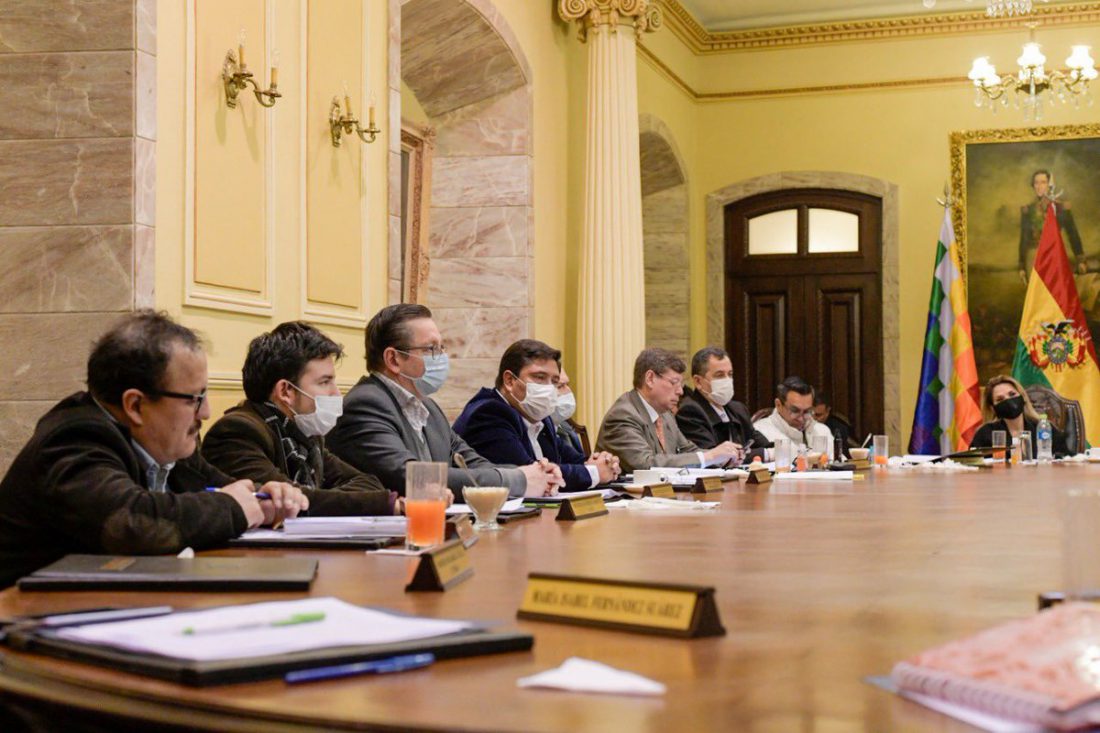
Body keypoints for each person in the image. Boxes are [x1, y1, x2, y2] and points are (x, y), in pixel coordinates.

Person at [0, 311, 308, 588]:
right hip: (22, 618)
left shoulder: (168, 444)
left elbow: (226, 490)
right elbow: (132, 523)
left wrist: (265, 498)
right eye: (194, 398)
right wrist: (235, 508)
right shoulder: (74, 439)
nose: (205, 413)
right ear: (135, 405)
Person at [327, 304, 560, 500]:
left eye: (441, 348)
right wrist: (518, 480)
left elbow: (470, 462)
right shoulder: (365, 405)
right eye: (431, 349)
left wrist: (535, 474)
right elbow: (411, 477)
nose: (441, 357)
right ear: (394, 359)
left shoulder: (428, 407)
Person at [203, 321, 414, 515]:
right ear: (286, 391)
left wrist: (320, 499)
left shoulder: (306, 434)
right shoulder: (236, 433)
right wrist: (387, 504)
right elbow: (288, 501)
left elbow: (367, 482)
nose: (336, 393)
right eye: (324, 382)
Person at [454, 340, 620, 491]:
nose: (549, 388)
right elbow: (530, 476)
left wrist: (603, 463)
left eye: (554, 381)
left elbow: (574, 460)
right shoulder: (488, 413)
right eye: (540, 378)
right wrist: (594, 473)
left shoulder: (539, 418)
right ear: (510, 381)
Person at [595, 348, 743, 473]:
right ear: (650, 379)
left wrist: (722, 458)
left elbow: (687, 450)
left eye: (681, 384)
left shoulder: (665, 415)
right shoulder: (623, 415)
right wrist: (709, 457)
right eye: (674, 383)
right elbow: (645, 464)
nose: (680, 391)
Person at [675, 346, 771, 462]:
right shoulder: (689, 412)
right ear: (698, 381)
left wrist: (775, 450)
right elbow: (714, 456)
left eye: (730, 374)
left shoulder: (738, 409)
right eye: (719, 375)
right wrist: (767, 454)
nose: (727, 380)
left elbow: (763, 444)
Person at [969, 374, 1069, 458]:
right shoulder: (985, 434)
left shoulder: (1044, 428)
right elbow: (972, 465)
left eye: (1012, 394)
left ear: (1023, 397)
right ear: (992, 408)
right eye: (1000, 399)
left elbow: (1066, 459)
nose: (1008, 400)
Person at [1018, 169, 1087, 285]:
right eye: (1036, 183)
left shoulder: (1061, 208)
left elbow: (1073, 235)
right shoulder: (1027, 211)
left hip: (1055, 256)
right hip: (1034, 258)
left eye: (1043, 182)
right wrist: (1021, 267)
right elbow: (1024, 239)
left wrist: (1080, 260)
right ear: (1033, 186)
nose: (1039, 186)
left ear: (1049, 186)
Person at [753, 376, 835, 459]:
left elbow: (838, 462)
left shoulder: (822, 430)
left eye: (807, 411)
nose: (801, 418)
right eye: (795, 410)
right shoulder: (760, 432)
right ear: (778, 405)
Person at [551, 366, 585, 454]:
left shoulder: (565, 426)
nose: (569, 390)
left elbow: (579, 459)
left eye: (567, 385)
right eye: (560, 386)